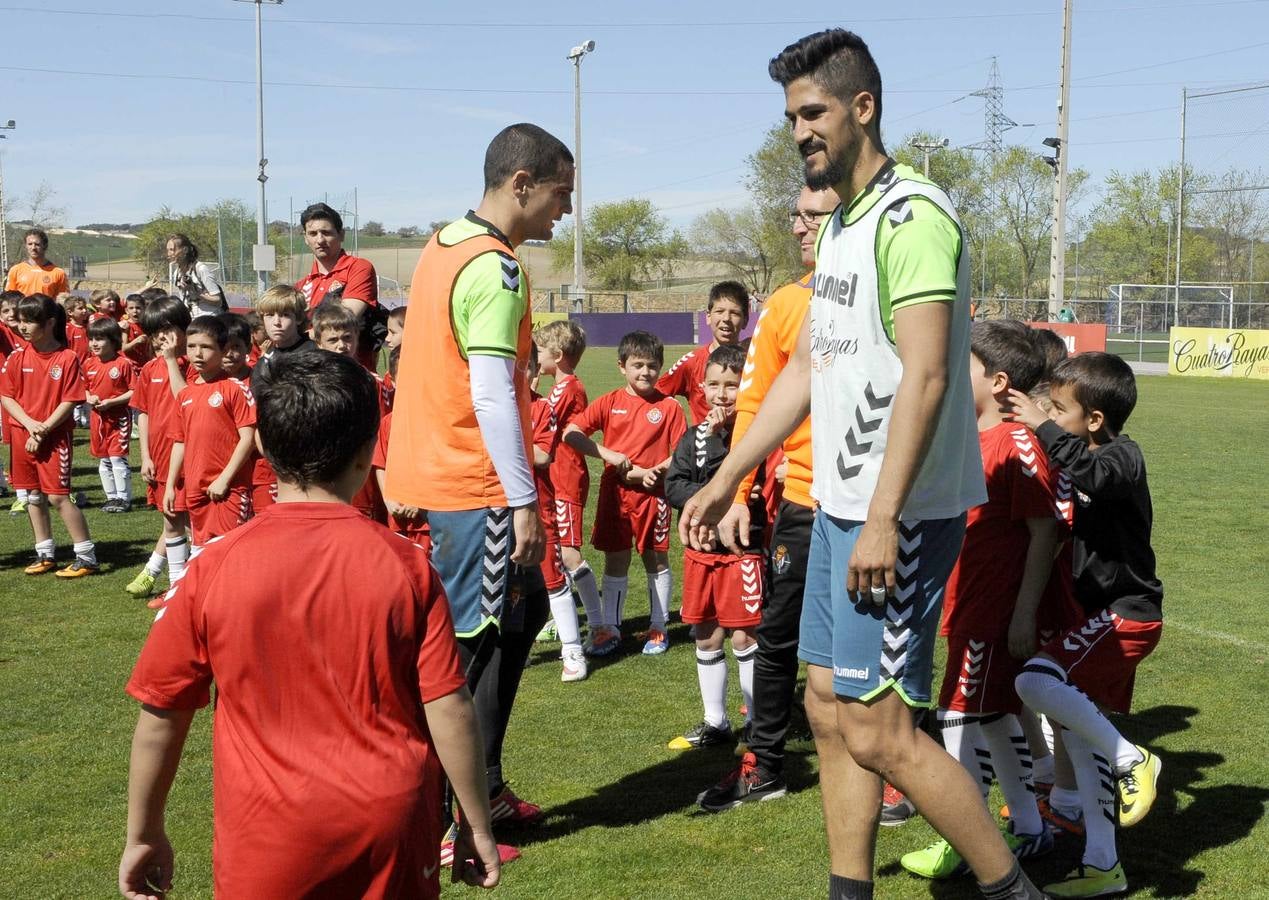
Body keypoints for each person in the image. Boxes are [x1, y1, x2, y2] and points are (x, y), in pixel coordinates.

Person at [681, 30, 1048, 900]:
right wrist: (729, 473)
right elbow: (809, 369)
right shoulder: (839, 222)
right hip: (839, 506)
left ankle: (1014, 892)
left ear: (861, 107)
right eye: (790, 117)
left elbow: (926, 376)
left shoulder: (912, 215)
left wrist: (882, 517)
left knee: (880, 730)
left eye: (812, 113)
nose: (799, 131)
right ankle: (850, 891)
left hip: (901, 514)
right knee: (824, 707)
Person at [118, 350, 500, 900]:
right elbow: (449, 704)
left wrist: (145, 831)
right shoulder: (407, 564)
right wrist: (476, 824)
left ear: (266, 450)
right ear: (370, 450)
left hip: (268, 832)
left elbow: (162, 712)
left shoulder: (212, 565)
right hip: (388, 822)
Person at [386, 123, 576, 841]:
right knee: (474, 647)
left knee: (517, 618)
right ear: (521, 182)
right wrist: (521, 499)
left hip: (438, 476)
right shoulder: (494, 267)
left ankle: (480, 789)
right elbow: (493, 391)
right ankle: (450, 815)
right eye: (560, 194)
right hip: (475, 484)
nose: (564, 212)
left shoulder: (444, 243)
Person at [899, 320, 1066, 880]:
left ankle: (966, 838)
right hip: (967, 603)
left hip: (994, 612)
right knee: (992, 718)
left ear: (997, 382)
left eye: (964, 368)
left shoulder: (1016, 442)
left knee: (958, 719)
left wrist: (1023, 613)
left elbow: (1046, 530)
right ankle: (1028, 827)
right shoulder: (976, 436)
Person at [696, 184, 838, 812]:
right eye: (797, 216)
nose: (800, 228)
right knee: (777, 640)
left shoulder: (886, 289)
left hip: (877, 503)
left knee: (882, 643)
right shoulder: (785, 303)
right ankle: (766, 763)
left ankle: (896, 766)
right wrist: (738, 493)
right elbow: (753, 403)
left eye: (815, 216)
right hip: (804, 500)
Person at [1008, 352, 1164, 899]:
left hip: (1127, 616)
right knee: (1077, 735)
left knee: (1032, 681)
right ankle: (1102, 865)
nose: (1049, 413)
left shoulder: (1123, 456)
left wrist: (1041, 425)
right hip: (1096, 615)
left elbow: (1091, 472)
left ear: (1093, 419)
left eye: (1060, 408)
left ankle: (1134, 756)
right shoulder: (1082, 452)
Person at [665, 343, 766, 748]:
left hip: (740, 553)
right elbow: (674, 483)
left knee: (744, 636)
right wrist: (705, 505)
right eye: (714, 384)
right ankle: (715, 721)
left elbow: (755, 485)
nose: (723, 394)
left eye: (732, 385)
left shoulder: (755, 435)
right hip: (701, 554)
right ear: (702, 388)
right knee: (706, 634)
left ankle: (757, 721)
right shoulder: (694, 437)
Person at [562, 330, 687, 656]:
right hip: (616, 494)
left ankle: (658, 627)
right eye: (638, 365)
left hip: (653, 495)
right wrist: (609, 455)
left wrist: (655, 471)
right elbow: (571, 433)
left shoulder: (669, 407)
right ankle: (611, 629)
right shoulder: (610, 402)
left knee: (655, 558)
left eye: (652, 366)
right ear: (622, 366)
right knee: (615, 559)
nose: (645, 372)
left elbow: (681, 452)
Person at [0, 294, 98, 577]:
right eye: (20, 320)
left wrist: (42, 429)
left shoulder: (66, 358)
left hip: (54, 438)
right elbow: (7, 397)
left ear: (50, 323)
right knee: (32, 496)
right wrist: (30, 425)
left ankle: (86, 556)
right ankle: (45, 553)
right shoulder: (17, 357)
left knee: (57, 497)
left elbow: (70, 400)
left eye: (30, 321)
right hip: (23, 435)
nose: (23, 326)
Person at [534, 319, 604, 645]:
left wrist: (526, 385)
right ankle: (563, 618)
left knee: (569, 553)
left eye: (540, 351)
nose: (536, 356)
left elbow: (541, 415)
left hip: (567, 478)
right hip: (557, 479)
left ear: (558, 354)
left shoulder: (568, 388)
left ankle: (598, 622)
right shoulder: (561, 386)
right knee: (560, 553)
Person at [125, 297, 193, 601]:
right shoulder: (149, 369)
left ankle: (177, 584)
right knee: (172, 517)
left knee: (187, 520)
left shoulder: (193, 364)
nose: (161, 338)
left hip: (189, 455)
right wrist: (146, 456)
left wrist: (169, 361)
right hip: (162, 457)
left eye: (168, 329)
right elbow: (144, 412)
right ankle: (173, 582)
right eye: (155, 332)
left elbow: (185, 399)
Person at [527, 346, 586, 682]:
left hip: (538, 506)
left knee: (552, 577)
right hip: (492, 505)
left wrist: (500, 442)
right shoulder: (487, 405)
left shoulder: (541, 406)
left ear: (536, 370)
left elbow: (539, 455)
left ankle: (573, 650)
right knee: (505, 584)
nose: (522, 373)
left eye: (528, 367)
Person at [312, 301, 389, 523]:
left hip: (359, 479)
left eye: (347, 338)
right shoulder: (308, 380)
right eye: (333, 340)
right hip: (317, 476)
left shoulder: (370, 382)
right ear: (318, 342)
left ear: (357, 337)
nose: (341, 346)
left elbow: (382, 435)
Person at [295, 202, 381, 371]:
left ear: (341, 235)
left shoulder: (359, 268)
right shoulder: (301, 286)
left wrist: (298, 337)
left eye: (326, 232)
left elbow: (342, 319)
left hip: (353, 373)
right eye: (313, 233)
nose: (320, 240)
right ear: (306, 238)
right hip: (314, 375)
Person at [657, 280, 749, 423]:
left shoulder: (755, 360)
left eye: (735, 313)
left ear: (746, 320)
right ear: (708, 316)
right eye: (719, 311)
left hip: (747, 443)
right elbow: (657, 393)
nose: (726, 318)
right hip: (704, 443)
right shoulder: (691, 362)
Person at [85, 317, 136, 513]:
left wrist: (112, 402)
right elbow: (83, 388)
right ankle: (110, 498)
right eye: (91, 339)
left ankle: (124, 498)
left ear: (113, 340)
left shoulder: (123, 363)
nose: (94, 344)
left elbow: (134, 390)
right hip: (98, 418)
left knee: (117, 457)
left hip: (119, 417)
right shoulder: (89, 364)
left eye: (100, 339)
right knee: (103, 459)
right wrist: (89, 397)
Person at [249, 284, 317, 402]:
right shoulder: (264, 363)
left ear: (299, 318)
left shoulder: (315, 353)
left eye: (285, 315)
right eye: (269, 315)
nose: (276, 322)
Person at [166, 233, 227, 317]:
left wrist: (195, 292)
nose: (169, 254)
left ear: (185, 250)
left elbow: (218, 300)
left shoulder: (201, 269)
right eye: (168, 250)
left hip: (208, 319)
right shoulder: (177, 273)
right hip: (190, 318)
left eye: (172, 250)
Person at [5, 228, 69, 297]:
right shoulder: (15, 270)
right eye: (30, 244)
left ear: (45, 246)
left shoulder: (59, 273)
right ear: (26, 246)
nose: (33, 248)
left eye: (37, 244)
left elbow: (64, 302)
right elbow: (8, 299)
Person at [121, 293, 153, 370]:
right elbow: (123, 348)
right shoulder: (126, 326)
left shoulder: (147, 324)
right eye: (131, 308)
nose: (135, 311)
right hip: (132, 366)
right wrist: (136, 341)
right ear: (126, 310)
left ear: (144, 309)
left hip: (145, 364)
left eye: (138, 308)